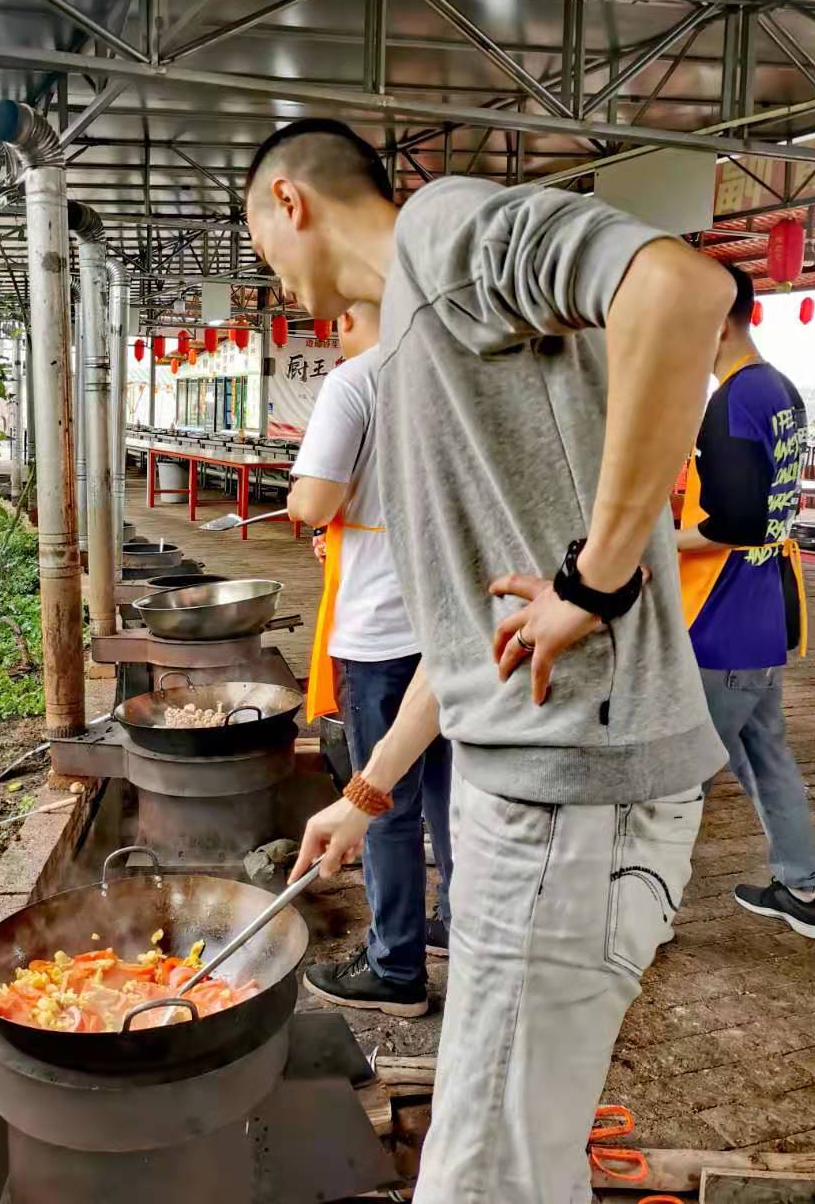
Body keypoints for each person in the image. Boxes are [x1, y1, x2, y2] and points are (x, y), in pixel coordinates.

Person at [244, 117, 732, 1204]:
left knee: (484, 1180)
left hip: (573, 806)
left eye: (261, 244)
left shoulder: (444, 229)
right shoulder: (411, 353)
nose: (272, 282)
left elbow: (682, 291)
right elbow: (472, 642)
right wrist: (365, 798)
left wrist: (595, 579)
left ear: (291, 201)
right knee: (510, 1162)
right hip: (534, 803)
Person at [287, 303, 453, 1018]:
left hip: (382, 627)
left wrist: (311, 505)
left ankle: (395, 966)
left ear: (355, 309)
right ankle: (462, 930)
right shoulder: (449, 372)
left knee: (383, 802)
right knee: (450, 795)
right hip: (448, 625)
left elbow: (314, 496)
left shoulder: (355, 381)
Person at [678, 264, 815, 936]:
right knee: (766, 753)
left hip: (724, 624)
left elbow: (732, 520)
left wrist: (658, 540)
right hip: (763, 612)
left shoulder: (734, 397)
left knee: (681, 776)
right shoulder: (781, 390)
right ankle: (805, 886)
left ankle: (648, 915)